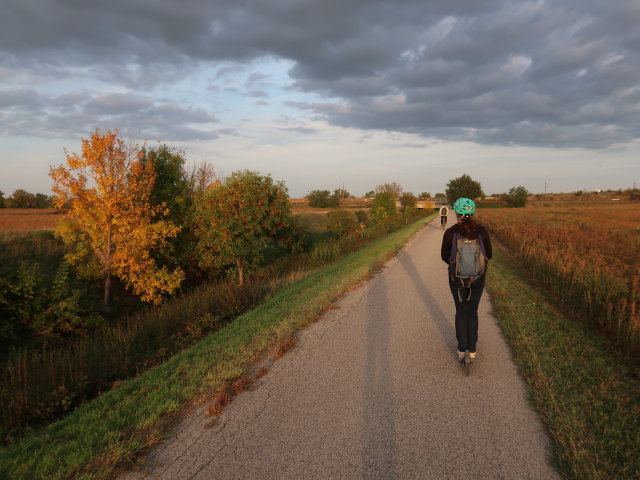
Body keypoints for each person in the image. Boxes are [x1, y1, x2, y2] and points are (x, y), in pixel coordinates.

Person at [440, 198, 492, 363]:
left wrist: (456, 265)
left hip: (457, 279)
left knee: (461, 312)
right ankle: (473, 349)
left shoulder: (451, 232)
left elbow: (444, 256)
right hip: (477, 279)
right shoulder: (482, 231)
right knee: (473, 311)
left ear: (457, 213)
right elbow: (489, 255)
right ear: (472, 212)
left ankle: (462, 349)